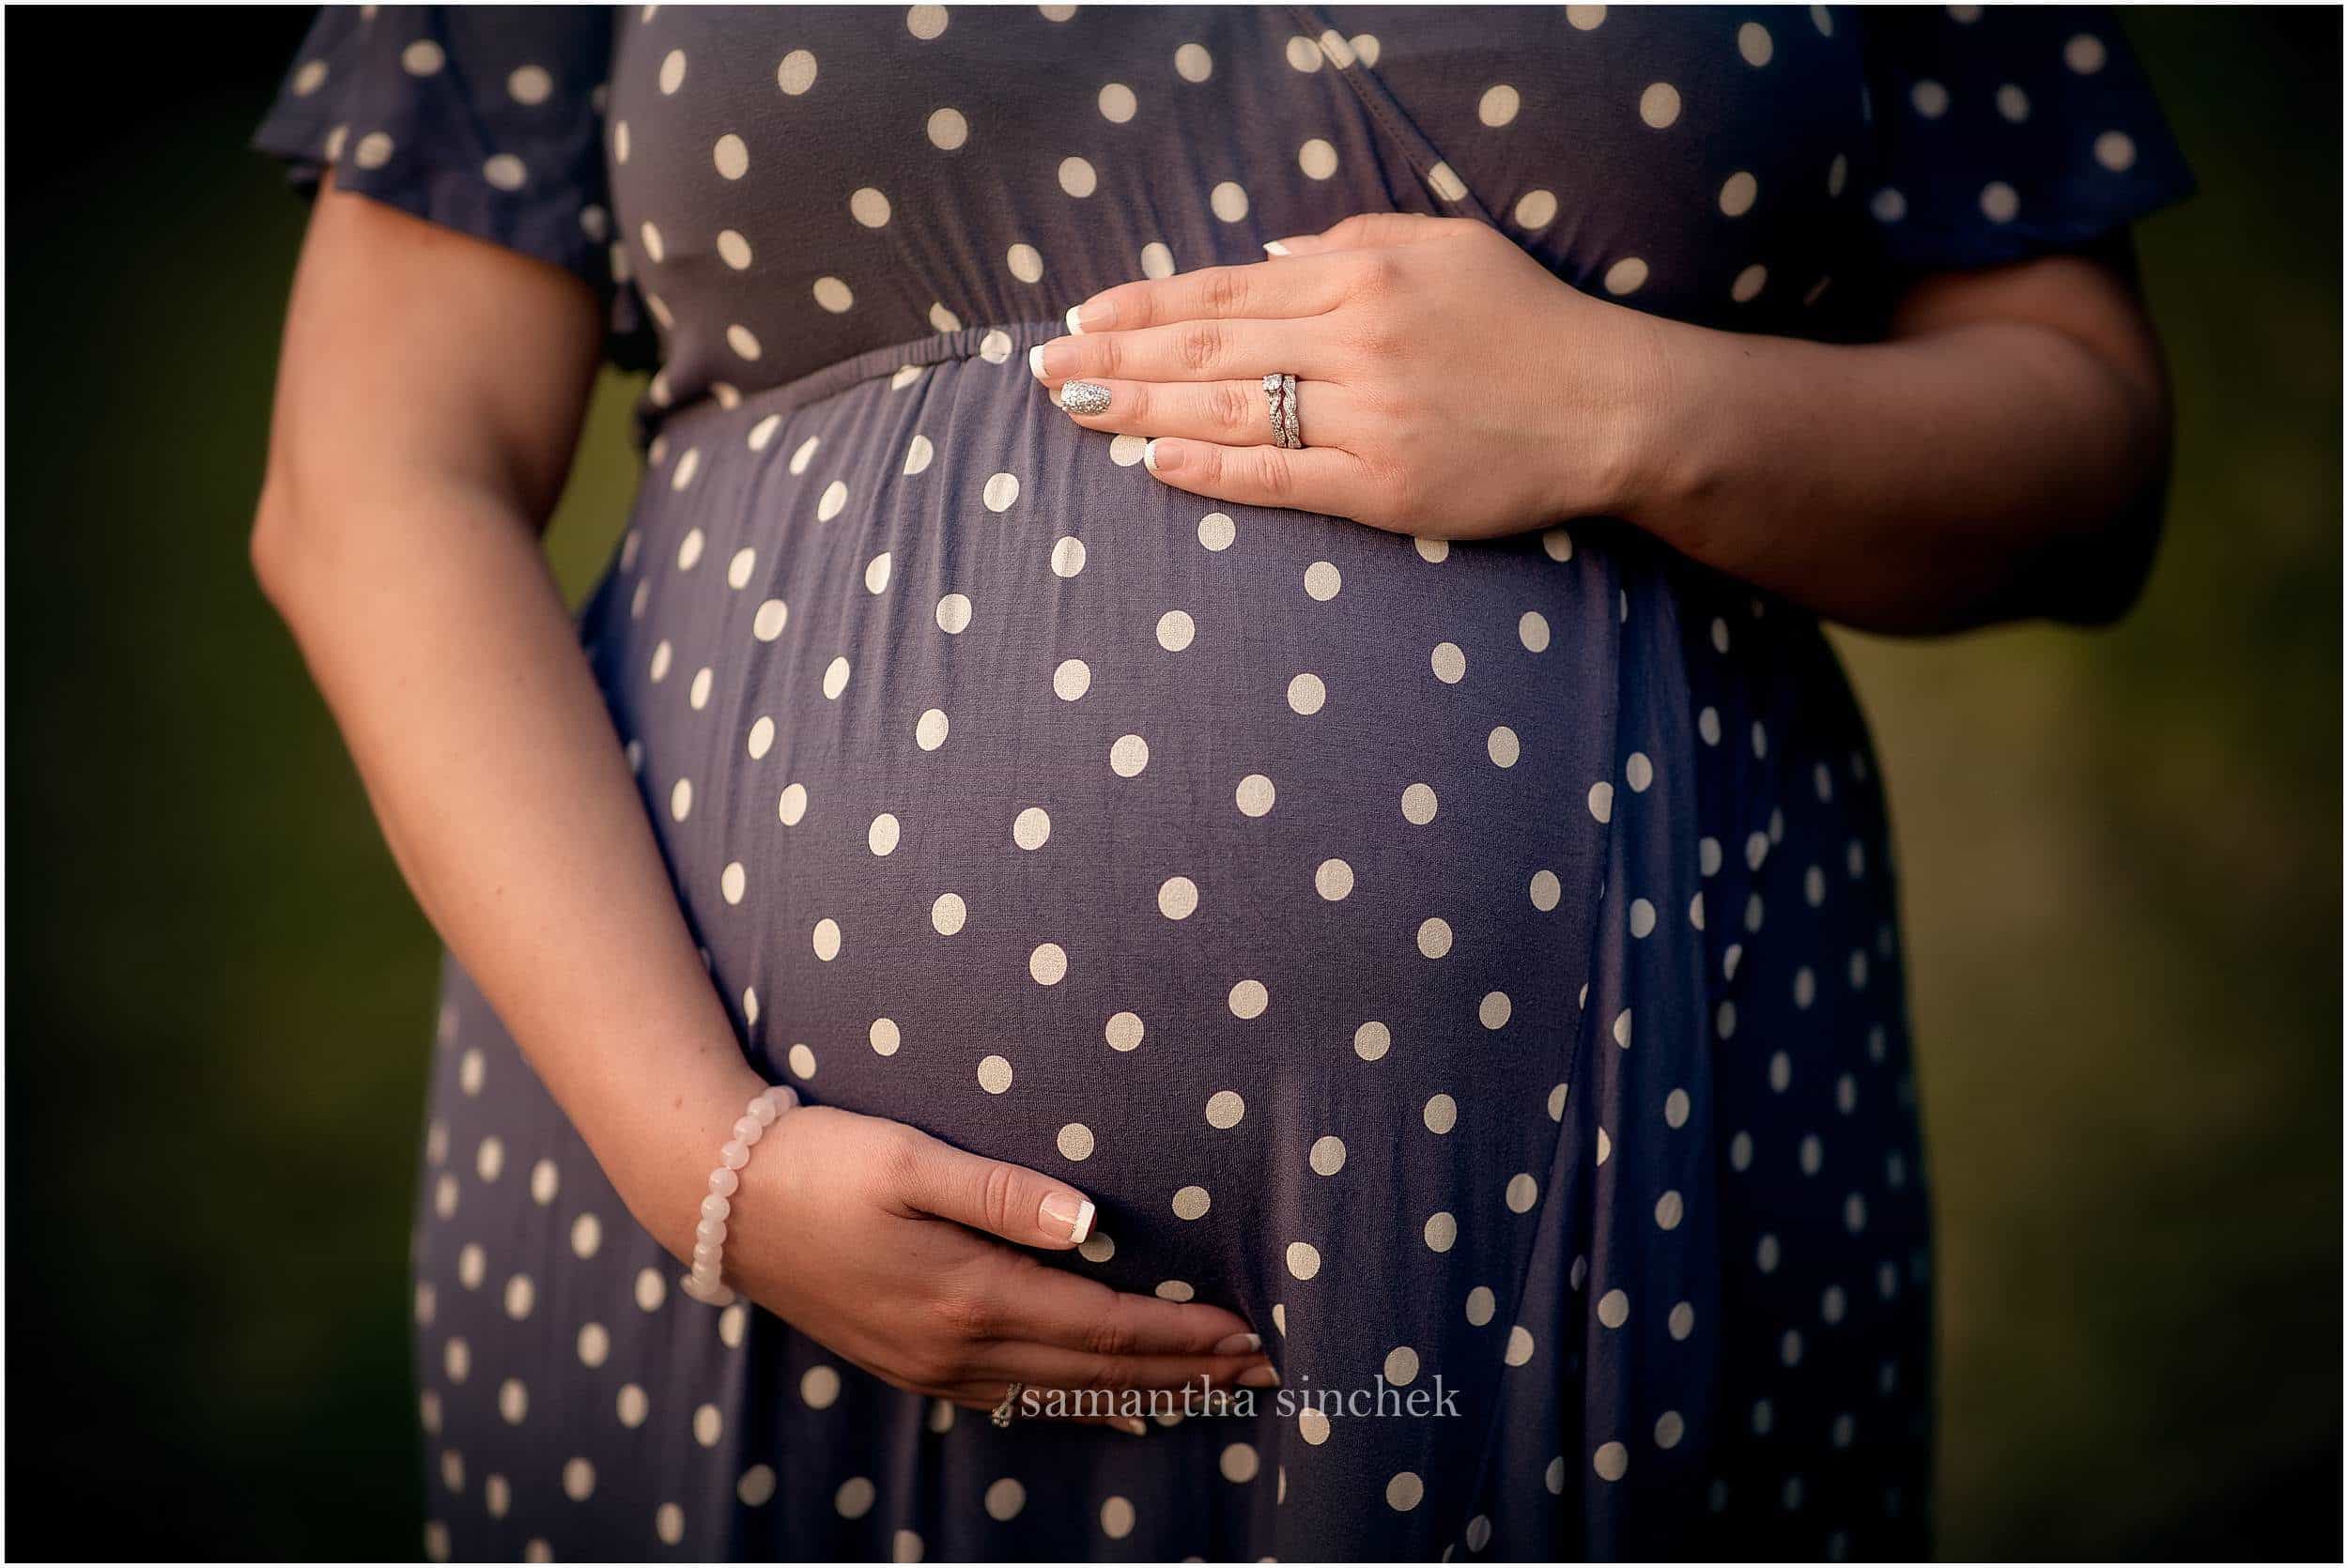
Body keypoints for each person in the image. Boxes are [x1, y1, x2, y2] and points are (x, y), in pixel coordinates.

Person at [251, 6, 2189, 1560]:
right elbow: (370, 474)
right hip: (704, 1189)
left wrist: (1632, 404)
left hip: (1616, 1187)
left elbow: (2079, 452)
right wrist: (705, 1158)